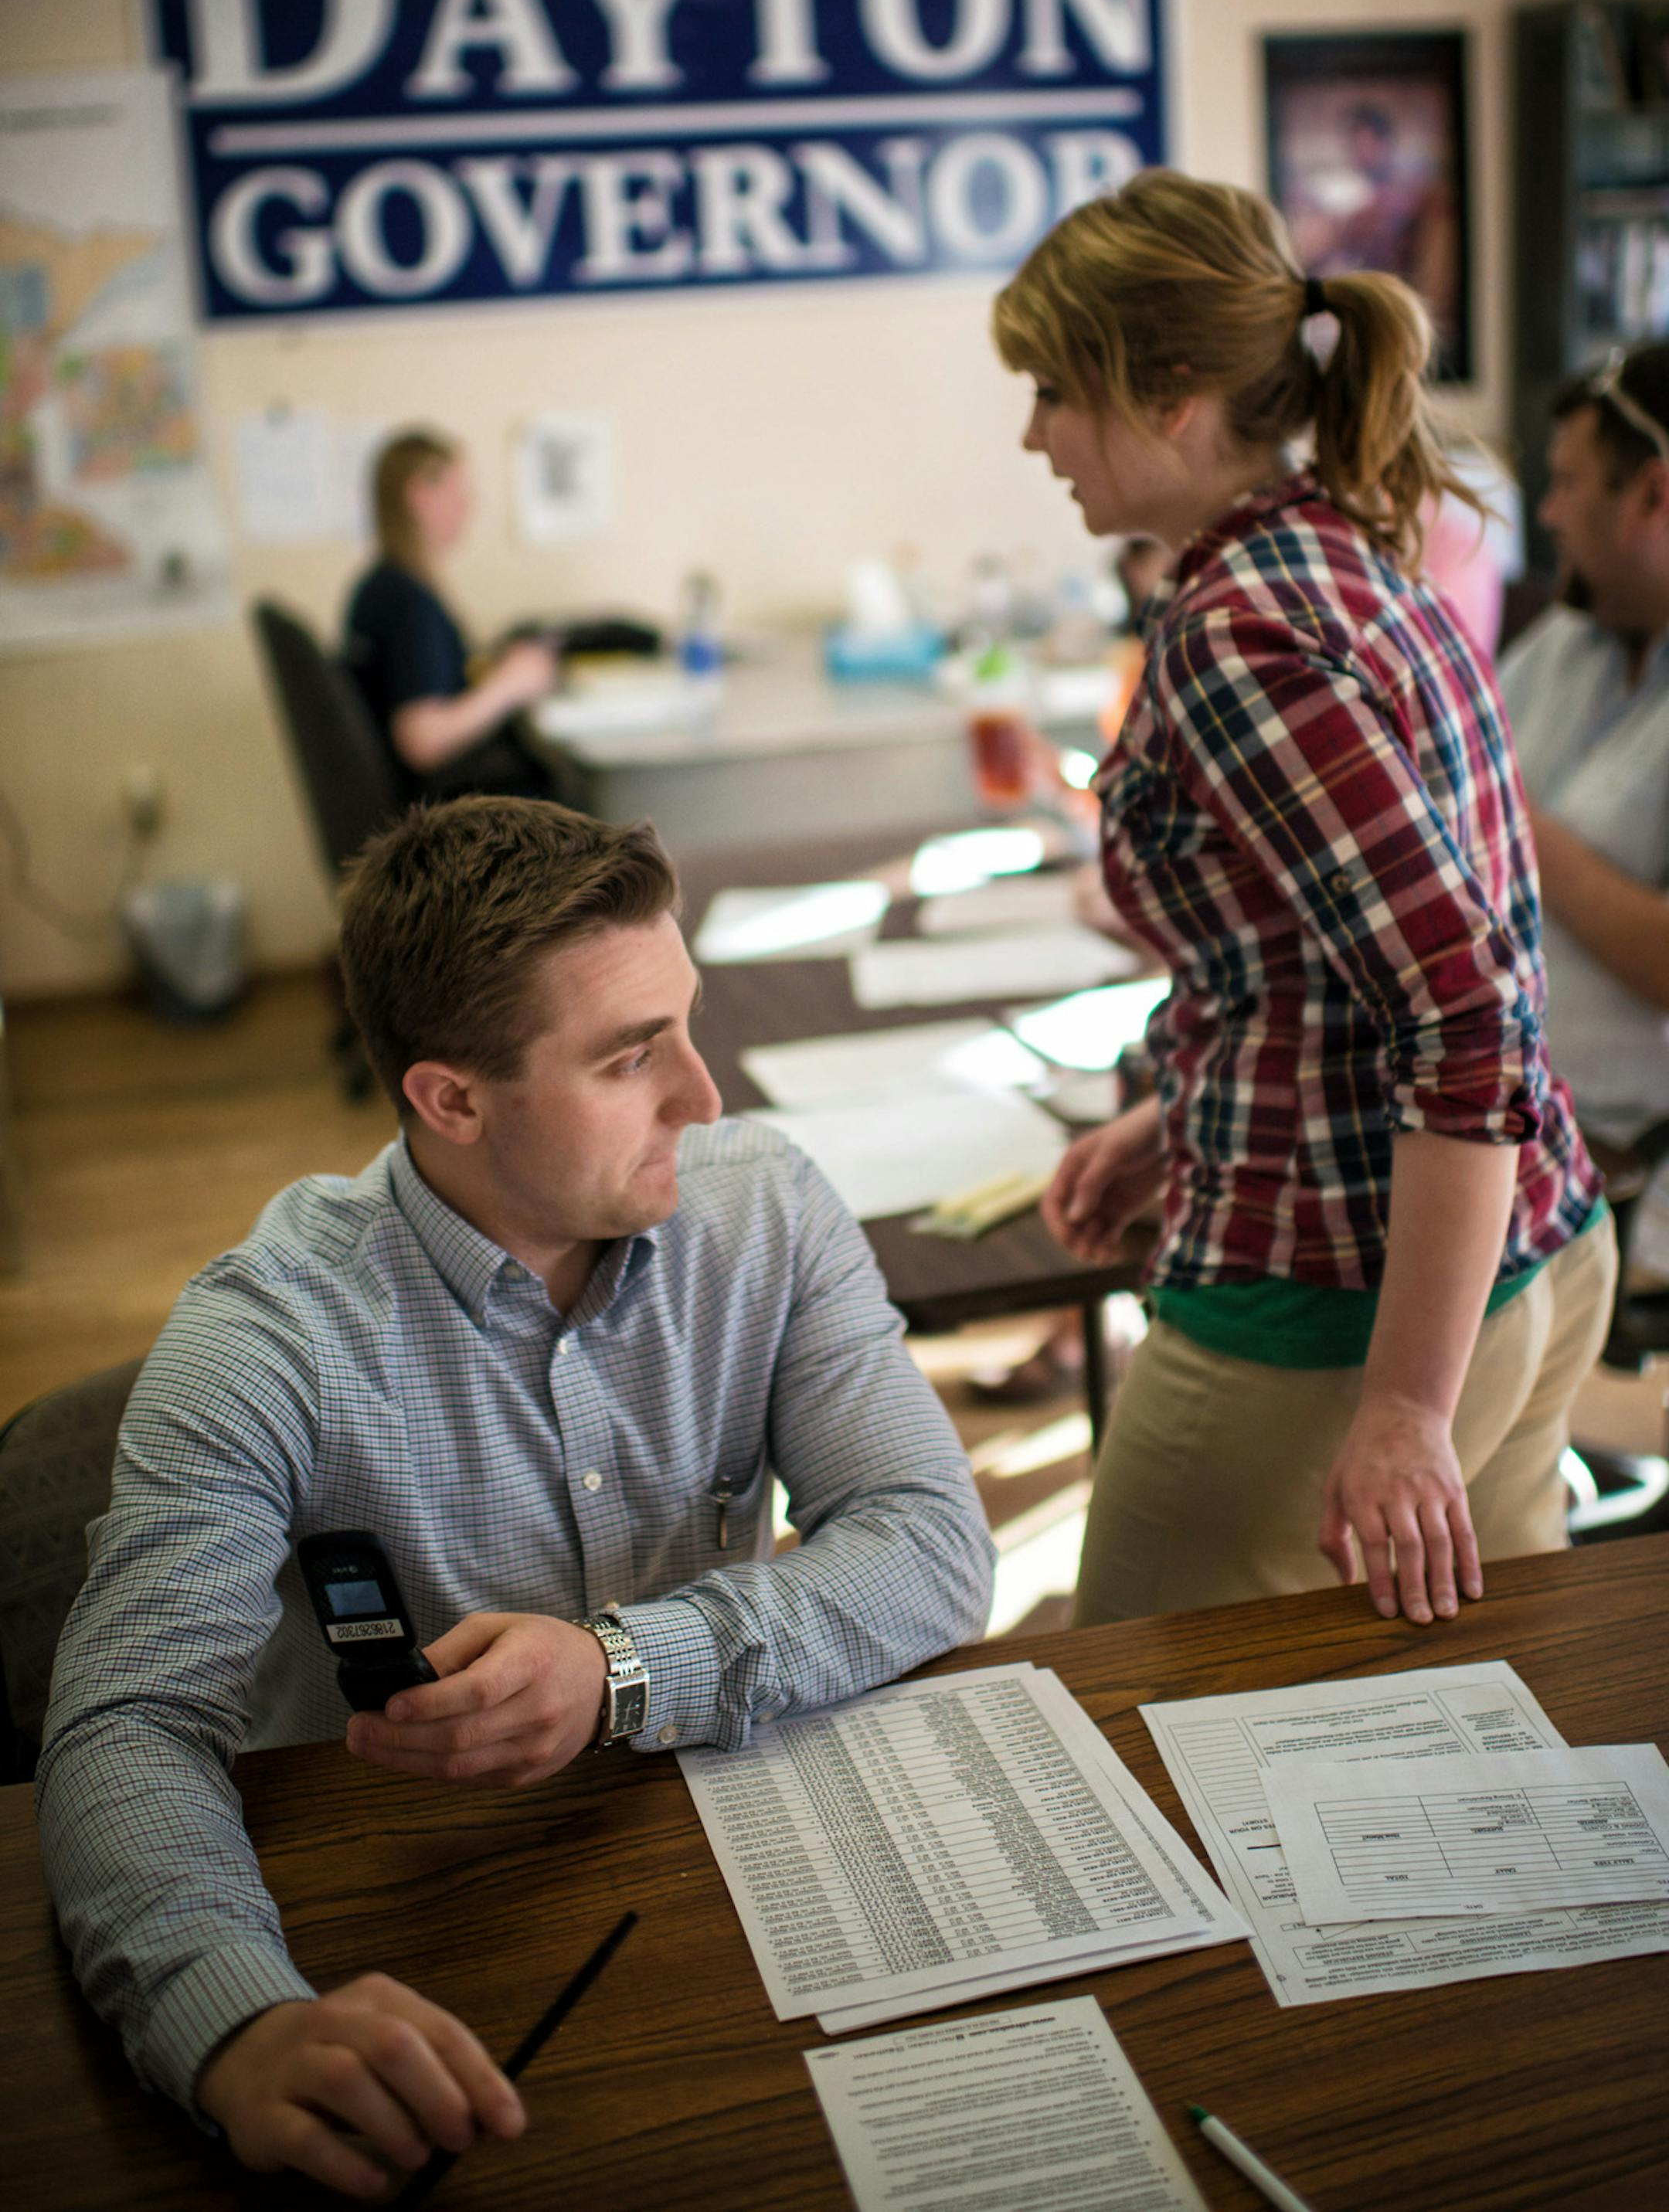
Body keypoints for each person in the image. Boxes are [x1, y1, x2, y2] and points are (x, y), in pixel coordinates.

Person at [39, 797, 993, 2199]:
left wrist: (621, 1666)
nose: (703, 1095)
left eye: (686, 1021)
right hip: (413, 1911)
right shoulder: (264, 1339)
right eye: (629, 1055)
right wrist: (233, 2021)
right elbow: (128, 1721)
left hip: (722, 1854)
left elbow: (930, 1541)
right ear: (452, 1099)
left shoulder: (765, 1208)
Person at [991, 168, 1608, 1632]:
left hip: (1339, 1297)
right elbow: (1327, 965)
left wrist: (1404, 1403)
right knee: (1469, 1725)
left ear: (1176, 394)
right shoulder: (1328, 549)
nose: (1034, 436)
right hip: (1534, 1244)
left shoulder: (1238, 629)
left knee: (1138, 1723)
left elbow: (1462, 1012)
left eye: (1054, 392)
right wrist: (1185, 1111)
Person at [1497, 345, 1669, 1188]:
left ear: (1652, 492)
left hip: (1635, 1185)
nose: (1551, 513)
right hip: (1506, 1139)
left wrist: (1514, 828)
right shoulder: (1567, 640)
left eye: (1568, 482)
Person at [345, 431, 558, 799]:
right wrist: (512, 683)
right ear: (420, 496)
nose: (468, 507)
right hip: (446, 815)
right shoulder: (408, 602)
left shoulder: (378, 586)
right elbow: (422, 740)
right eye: (459, 491)